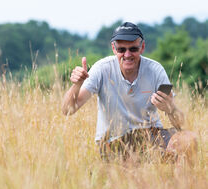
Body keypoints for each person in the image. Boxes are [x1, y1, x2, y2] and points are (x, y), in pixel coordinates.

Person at [62, 22, 197, 162]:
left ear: (142, 47)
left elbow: (180, 124)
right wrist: (77, 85)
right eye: (121, 49)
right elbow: (67, 110)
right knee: (135, 163)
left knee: (189, 140)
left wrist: (170, 109)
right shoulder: (102, 69)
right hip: (114, 140)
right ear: (113, 48)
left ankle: (177, 183)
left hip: (151, 134)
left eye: (133, 49)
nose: (127, 55)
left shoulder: (156, 70)